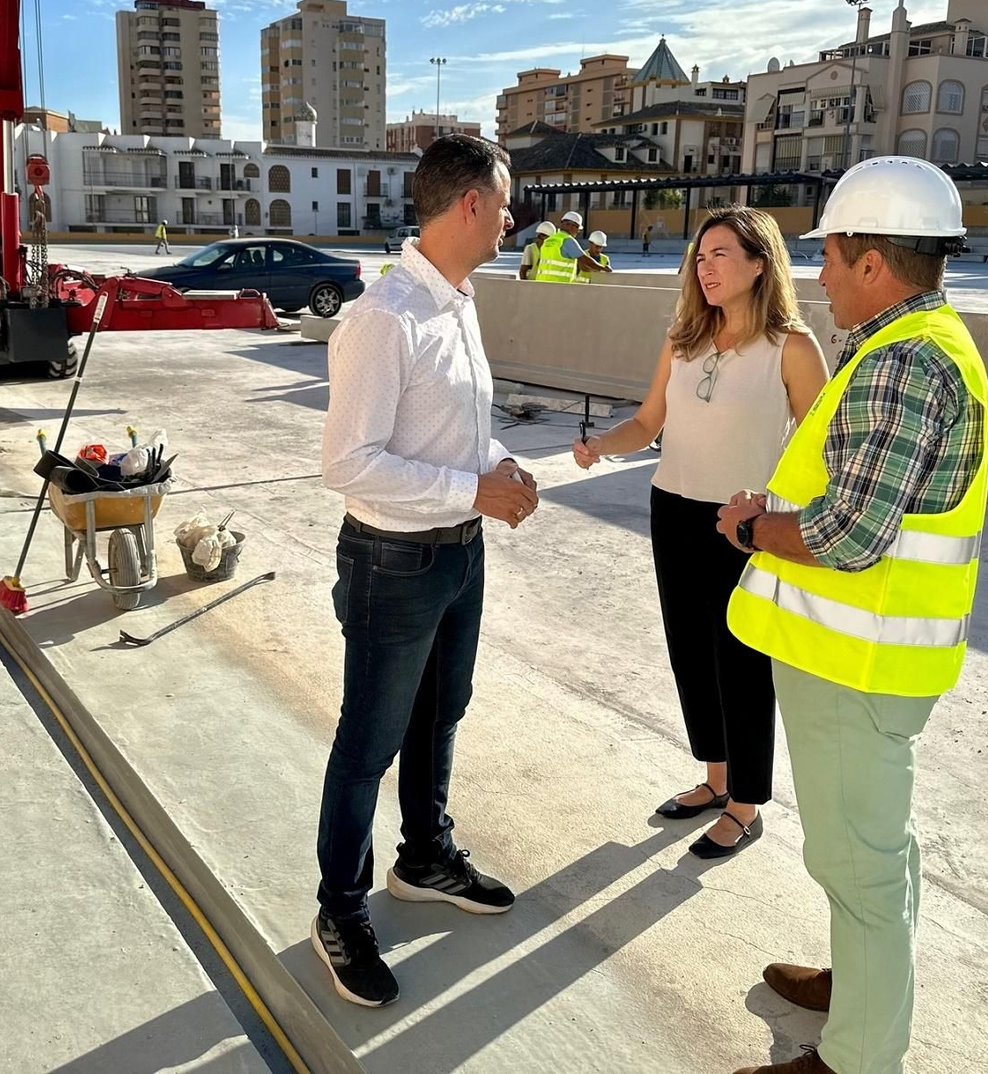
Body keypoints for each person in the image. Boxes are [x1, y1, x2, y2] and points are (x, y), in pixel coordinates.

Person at [715, 157, 988, 1074]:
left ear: (873, 262)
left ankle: (858, 1056)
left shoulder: (900, 361)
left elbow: (849, 534)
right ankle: (862, 980)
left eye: (830, 257)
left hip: (856, 665)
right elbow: (862, 499)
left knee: (860, 864)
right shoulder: (924, 341)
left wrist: (756, 526)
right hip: (870, 660)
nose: (820, 275)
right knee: (877, 848)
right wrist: (781, 508)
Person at [316, 133, 537, 1008]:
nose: (513, 216)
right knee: (368, 741)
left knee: (442, 715)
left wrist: (500, 465)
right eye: (506, 199)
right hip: (392, 563)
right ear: (470, 204)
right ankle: (340, 908)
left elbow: (454, 426)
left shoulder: (457, 301)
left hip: (457, 553)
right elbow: (350, 462)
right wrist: (469, 488)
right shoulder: (385, 316)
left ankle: (424, 858)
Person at [572, 207, 827, 860]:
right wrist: (602, 445)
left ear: (759, 264)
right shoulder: (684, 338)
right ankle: (715, 781)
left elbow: (822, 452)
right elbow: (649, 421)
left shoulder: (792, 347)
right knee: (691, 653)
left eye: (720, 254)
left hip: (744, 527)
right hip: (673, 511)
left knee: (740, 661)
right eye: (700, 256)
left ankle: (746, 804)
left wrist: (773, 505)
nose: (705, 267)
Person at [533, 210, 607, 282]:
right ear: (572, 226)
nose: (577, 232)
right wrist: (603, 268)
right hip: (559, 285)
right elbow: (585, 261)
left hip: (541, 283)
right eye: (578, 229)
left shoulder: (549, 240)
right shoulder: (567, 240)